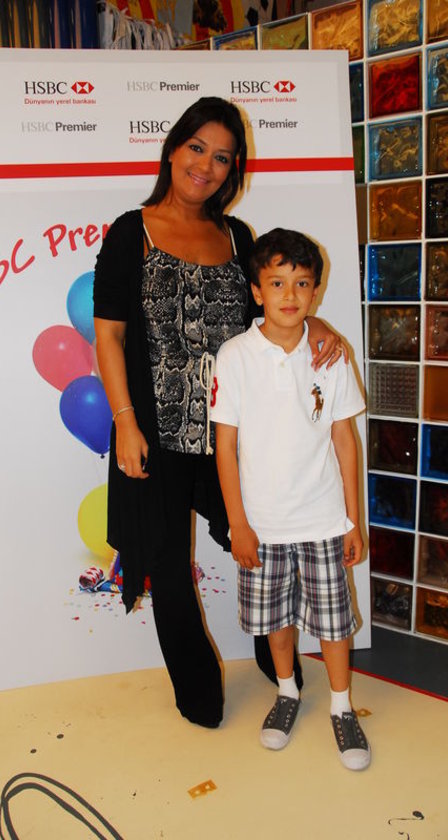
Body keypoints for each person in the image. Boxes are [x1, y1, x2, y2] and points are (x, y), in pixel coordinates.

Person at [93, 97, 343, 730]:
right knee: (167, 560)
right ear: (173, 150)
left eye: (222, 157)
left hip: (237, 430)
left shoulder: (237, 237)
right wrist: (124, 420)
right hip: (155, 432)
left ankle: (275, 662)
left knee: (257, 539)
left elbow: (271, 316)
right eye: (197, 148)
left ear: (233, 170)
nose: (205, 165)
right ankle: (198, 689)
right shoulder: (131, 232)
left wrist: (316, 327)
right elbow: (110, 336)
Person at [212, 228, 371, 770]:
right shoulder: (234, 356)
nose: (290, 294)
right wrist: (238, 523)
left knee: (333, 623)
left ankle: (342, 707)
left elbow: (344, 440)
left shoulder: (331, 355)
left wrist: (352, 520)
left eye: (302, 283)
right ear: (257, 290)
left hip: (323, 520)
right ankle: (287, 692)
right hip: (262, 525)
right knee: (276, 621)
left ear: (315, 292)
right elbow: (225, 447)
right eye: (277, 282)